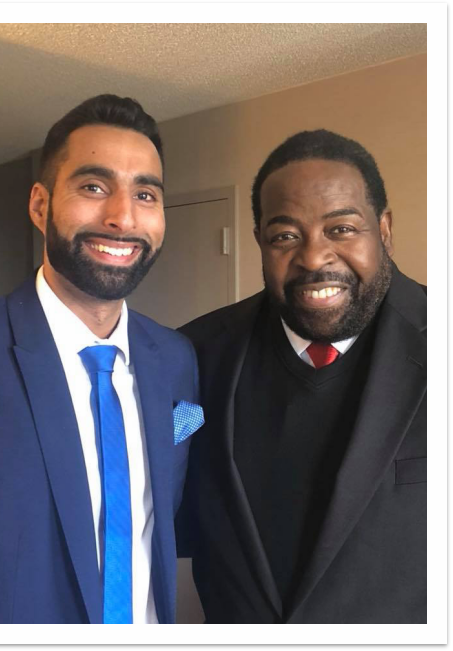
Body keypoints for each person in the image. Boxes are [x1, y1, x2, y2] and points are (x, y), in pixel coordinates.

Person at [178, 129, 426, 624]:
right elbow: (163, 492)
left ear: (384, 229)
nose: (313, 258)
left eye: (342, 229)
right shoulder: (196, 355)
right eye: (285, 236)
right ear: (260, 241)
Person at [0, 94, 203, 624]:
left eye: (145, 194)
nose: (122, 217)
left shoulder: (175, 358)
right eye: (94, 187)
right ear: (41, 206)